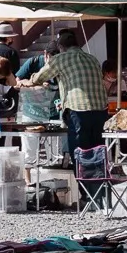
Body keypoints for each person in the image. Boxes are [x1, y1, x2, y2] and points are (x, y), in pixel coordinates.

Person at [29, 28, 108, 157]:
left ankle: (83, 177)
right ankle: (98, 175)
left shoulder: (61, 58)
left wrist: (29, 79)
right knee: (97, 148)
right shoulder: (92, 58)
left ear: (60, 47)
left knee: (80, 150)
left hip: (79, 110)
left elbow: (39, 78)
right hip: (101, 110)